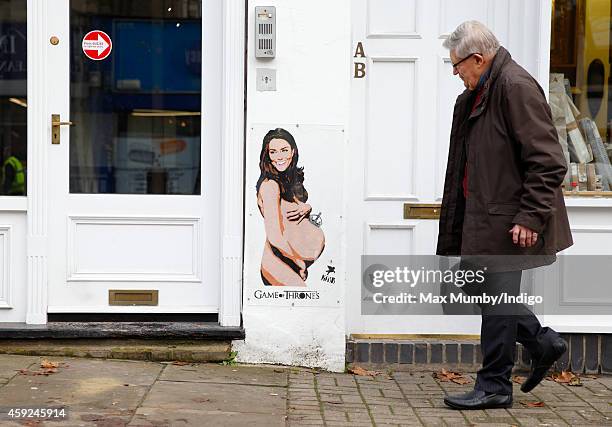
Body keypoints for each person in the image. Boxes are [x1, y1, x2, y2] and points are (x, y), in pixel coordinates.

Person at [437, 21, 573, 410]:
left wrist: (530, 217)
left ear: (478, 58)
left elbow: (548, 162)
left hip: (509, 220)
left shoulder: (514, 87)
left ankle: (495, 384)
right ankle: (540, 340)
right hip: (485, 216)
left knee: (497, 303)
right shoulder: (481, 92)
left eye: (457, 65)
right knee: (471, 282)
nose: (456, 73)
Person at [256, 128, 325, 286]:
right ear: (267, 155)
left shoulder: (285, 179)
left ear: (293, 151)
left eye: (284, 150)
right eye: (273, 152)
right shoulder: (270, 186)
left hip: (290, 260)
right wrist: (298, 263)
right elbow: (274, 236)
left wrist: (307, 207)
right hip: (281, 262)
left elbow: (290, 209)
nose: (279, 157)